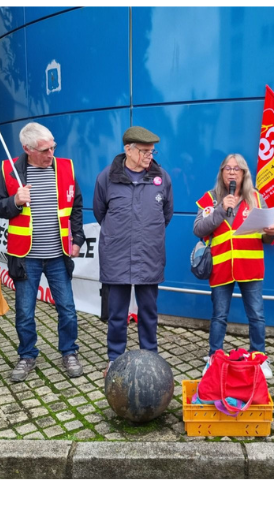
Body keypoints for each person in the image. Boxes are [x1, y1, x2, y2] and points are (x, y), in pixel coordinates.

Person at [0, 122, 86, 382]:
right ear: (27, 149)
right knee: (25, 311)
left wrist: (77, 238)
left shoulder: (66, 167)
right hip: (25, 257)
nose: (51, 153)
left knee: (67, 308)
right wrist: (15, 202)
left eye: (53, 147)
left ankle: (69, 351)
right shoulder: (9, 171)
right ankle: (27, 355)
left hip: (58, 254)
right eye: (45, 150)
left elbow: (76, 206)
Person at [93, 126, 173, 377]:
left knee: (148, 313)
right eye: (144, 151)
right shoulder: (106, 178)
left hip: (149, 258)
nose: (150, 156)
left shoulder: (162, 178)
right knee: (117, 314)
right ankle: (115, 359)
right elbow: (100, 213)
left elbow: (166, 215)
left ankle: (150, 358)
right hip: (116, 258)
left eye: (152, 151)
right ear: (127, 149)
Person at [193, 153, 274, 379]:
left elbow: (266, 238)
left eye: (237, 169)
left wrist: (272, 233)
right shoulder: (211, 199)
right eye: (227, 168)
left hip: (250, 267)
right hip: (221, 267)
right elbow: (199, 229)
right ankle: (214, 357)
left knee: (256, 315)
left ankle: (259, 357)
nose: (232, 172)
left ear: (244, 174)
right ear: (221, 173)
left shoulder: (257, 199)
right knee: (219, 315)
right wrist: (221, 209)